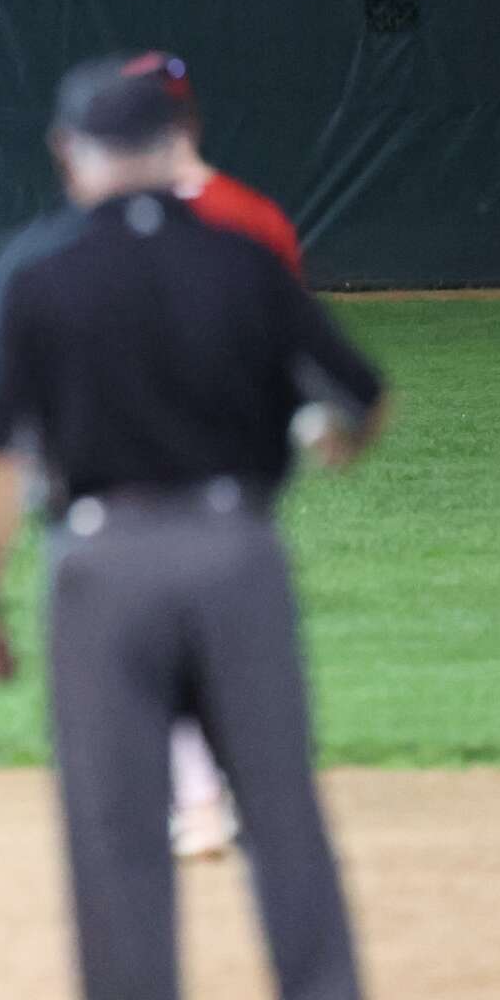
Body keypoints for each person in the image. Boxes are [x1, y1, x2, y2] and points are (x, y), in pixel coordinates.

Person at [0, 54, 405, 1000]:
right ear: (174, 143)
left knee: (117, 849)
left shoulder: (35, 269)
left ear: (70, 153)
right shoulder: (243, 256)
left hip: (100, 565)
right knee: (285, 825)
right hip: (237, 553)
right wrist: (327, 439)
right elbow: (360, 399)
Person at [121, 51, 305, 861]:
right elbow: (292, 348)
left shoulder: (106, 221)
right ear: (189, 115)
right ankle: (229, 792)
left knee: (152, 636)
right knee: (222, 631)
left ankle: (198, 797)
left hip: (141, 458)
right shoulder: (255, 215)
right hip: (241, 461)